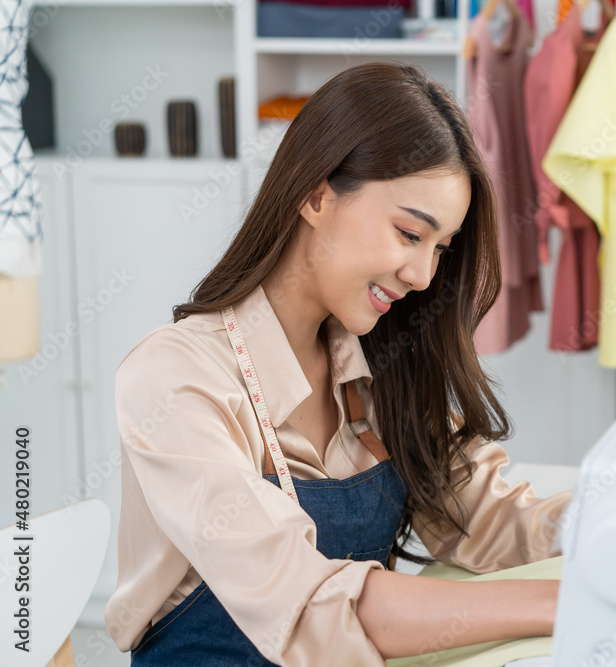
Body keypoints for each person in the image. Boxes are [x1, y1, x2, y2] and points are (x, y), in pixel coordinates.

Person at [105, 63, 573, 666]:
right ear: (316, 193)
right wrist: (559, 603)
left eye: (440, 249)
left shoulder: (381, 373)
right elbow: (309, 601)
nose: (424, 276)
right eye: (410, 233)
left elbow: (485, 514)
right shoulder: (174, 378)